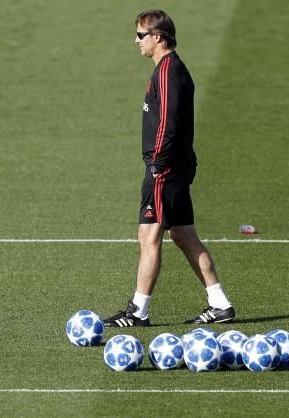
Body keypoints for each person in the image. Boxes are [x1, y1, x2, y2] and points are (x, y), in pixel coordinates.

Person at [103, 10, 235, 327]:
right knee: (183, 234)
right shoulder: (168, 70)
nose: (136, 41)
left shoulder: (168, 72)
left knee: (148, 235)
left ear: (158, 37)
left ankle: (138, 311)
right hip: (174, 166)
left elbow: (169, 124)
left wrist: (157, 164)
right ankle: (220, 304)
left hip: (165, 169)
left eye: (140, 35)